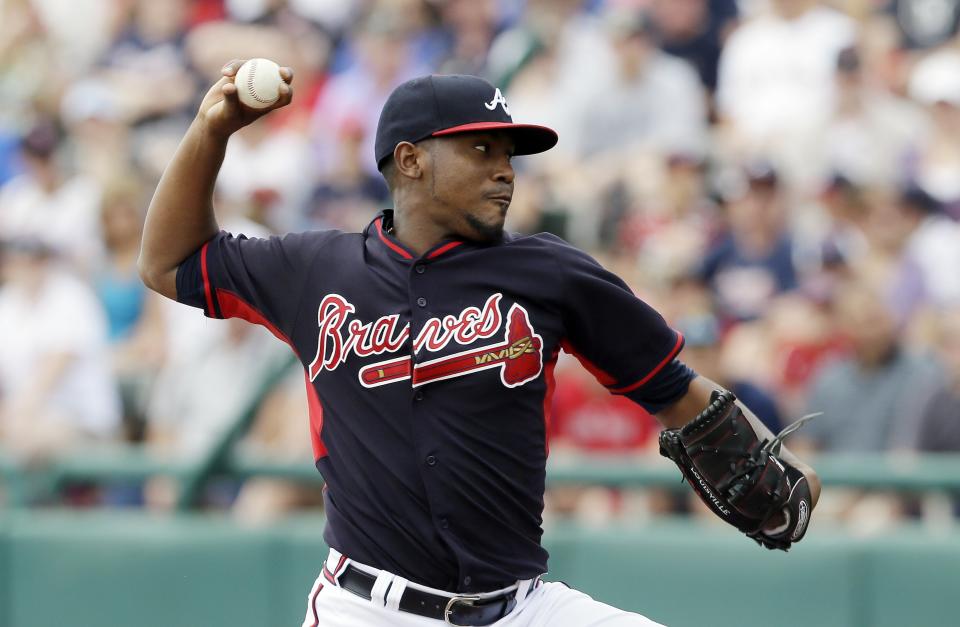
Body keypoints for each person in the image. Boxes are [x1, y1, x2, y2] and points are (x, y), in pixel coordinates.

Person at [138, 62, 821, 627]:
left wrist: (775, 457)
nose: (505, 169)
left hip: (521, 607)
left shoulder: (550, 272)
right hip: (370, 608)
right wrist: (212, 129)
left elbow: (673, 387)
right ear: (409, 160)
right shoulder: (317, 270)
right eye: (480, 149)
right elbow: (167, 262)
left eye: (507, 153)